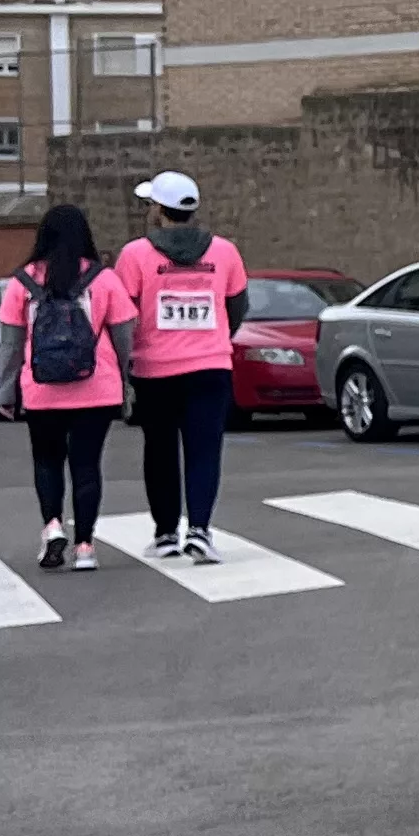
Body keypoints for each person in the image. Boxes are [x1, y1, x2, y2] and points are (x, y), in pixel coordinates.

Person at [113, 170, 250, 564]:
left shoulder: (135, 255)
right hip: (210, 365)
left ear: (159, 210)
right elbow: (237, 306)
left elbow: (125, 313)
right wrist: (216, 337)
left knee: (159, 451)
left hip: (154, 368)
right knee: (205, 450)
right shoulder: (225, 252)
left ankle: (166, 533)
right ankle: (201, 531)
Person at [0, 203, 135, 571]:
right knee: (87, 466)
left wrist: (4, 392)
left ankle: (53, 526)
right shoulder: (103, 280)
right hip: (97, 388)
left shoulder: (22, 283)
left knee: (47, 461)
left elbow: (10, 346)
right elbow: (124, 338)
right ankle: (86, 546)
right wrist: (126, 381)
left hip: (41, 389)